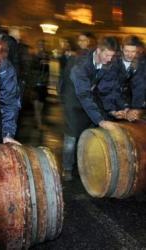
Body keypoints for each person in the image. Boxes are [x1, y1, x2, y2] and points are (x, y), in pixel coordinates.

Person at [61, 36, 120, 181]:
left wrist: (112, 109)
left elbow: (106, 89)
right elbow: (83, 95)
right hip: (72, 97)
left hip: (88, 95)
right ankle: (66, 168)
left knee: (90, 131)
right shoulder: (80, 65)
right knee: (72, 134)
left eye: (112, 56)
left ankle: (85, 164)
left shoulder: (107, 63)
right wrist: (100, 120)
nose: (109, 59)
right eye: (107, 55)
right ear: (99, 50)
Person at [111, 36, 146, 121]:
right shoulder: (112, 62)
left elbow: (140, 87)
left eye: (133, 51)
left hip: (134, 106)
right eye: (126, 51)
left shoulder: (142, 63)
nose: (130, 54)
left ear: (138, 50)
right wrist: (123, 106)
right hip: (115, 105)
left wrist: (136, 109)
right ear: (121, 48)